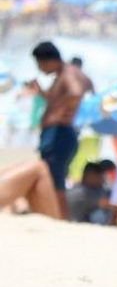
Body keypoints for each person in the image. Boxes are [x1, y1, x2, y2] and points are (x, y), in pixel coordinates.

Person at [27, 41, 94, 213]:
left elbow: (76, 92)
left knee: (53, 179)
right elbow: (87, 86)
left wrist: (60, 113)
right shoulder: (67, 73)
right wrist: (42, 92)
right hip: (60, 132)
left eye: (40, 64)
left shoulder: (68, 73)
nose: (40, 69)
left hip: (59, 132)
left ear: (49, 60)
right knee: (53, 177)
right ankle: (57, 215)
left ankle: (61, 216)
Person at [66, 160, 117, 225]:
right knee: (99, 215)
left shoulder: (97, 189)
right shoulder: (80, 192)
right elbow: (105, 203)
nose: (102, 178)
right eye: (99, 174)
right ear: (90, 175)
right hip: (75, 226)